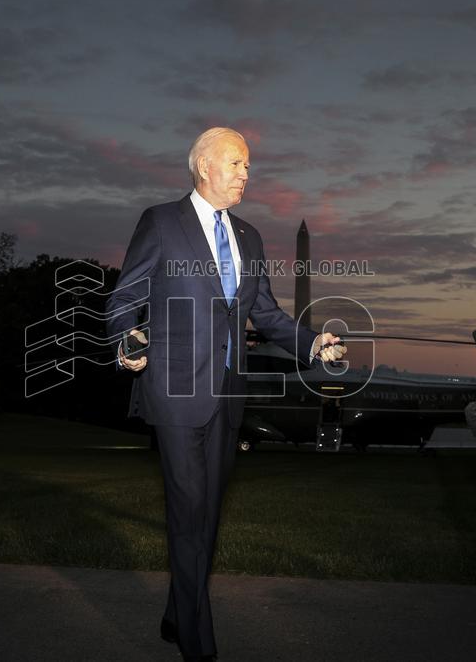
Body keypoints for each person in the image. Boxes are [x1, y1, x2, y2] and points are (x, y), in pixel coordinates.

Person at [106, 127, 345, 661]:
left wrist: (312, 345)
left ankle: (175, 615)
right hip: (175, 390)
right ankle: (197, 642)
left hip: (229, 395)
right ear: (204, 166)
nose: (246, 173)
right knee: (189, 510)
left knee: (208, 515)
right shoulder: (161, 222)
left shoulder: (251, 237)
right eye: (237, 163)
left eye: (247, 165)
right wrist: (127, 340)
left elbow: (267, 315)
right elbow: (124, 299)